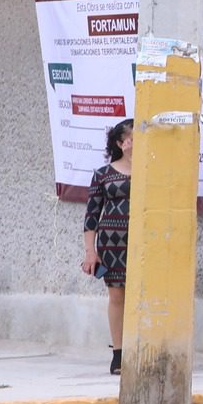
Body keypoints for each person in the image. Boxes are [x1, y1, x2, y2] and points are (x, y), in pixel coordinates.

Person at [81, 119, 133, 375]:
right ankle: (119, 354)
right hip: (112, 244)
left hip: (143, 243)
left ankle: (140, 348)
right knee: (117, 296)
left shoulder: (152, 171)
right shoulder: (102, 174)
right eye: (132, 138)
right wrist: (91, 251)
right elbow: (91, 217)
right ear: (120, 143)